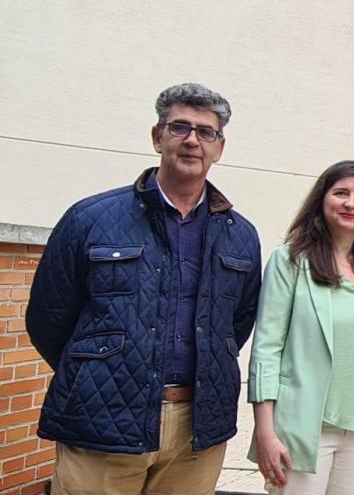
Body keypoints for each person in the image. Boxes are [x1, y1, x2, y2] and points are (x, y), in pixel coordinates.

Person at [26, 83, 261, 495]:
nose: (192, 140)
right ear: (157, 137)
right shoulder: (90, 218)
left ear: (219, 147)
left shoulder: (240, 235)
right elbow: (49, 318)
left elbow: (236, 323)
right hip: (103, 419)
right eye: (180, 127)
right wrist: (99, 372)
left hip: (197, 429)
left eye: (206, 132)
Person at [247, 160, 354, 495]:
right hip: (306, 427)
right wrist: (265, 432)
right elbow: (266, 349)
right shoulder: (289, 262)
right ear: (322, 199)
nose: (351, 203)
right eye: (341, 193)